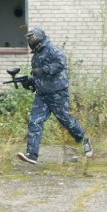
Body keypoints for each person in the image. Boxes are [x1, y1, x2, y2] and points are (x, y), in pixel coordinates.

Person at [17, 27, 93, 164]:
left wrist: (41, 70)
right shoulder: (36, 56)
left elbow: (60, 64)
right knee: (35, 121)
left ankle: (85, 141)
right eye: (29, 39)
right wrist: (30, 82)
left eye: (32, 38)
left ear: (39, 37)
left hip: (57, 93)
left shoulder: (52, 49)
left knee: (66, 120)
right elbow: (39, 77)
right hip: (42, 95)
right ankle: (32, 154)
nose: (30, 41)